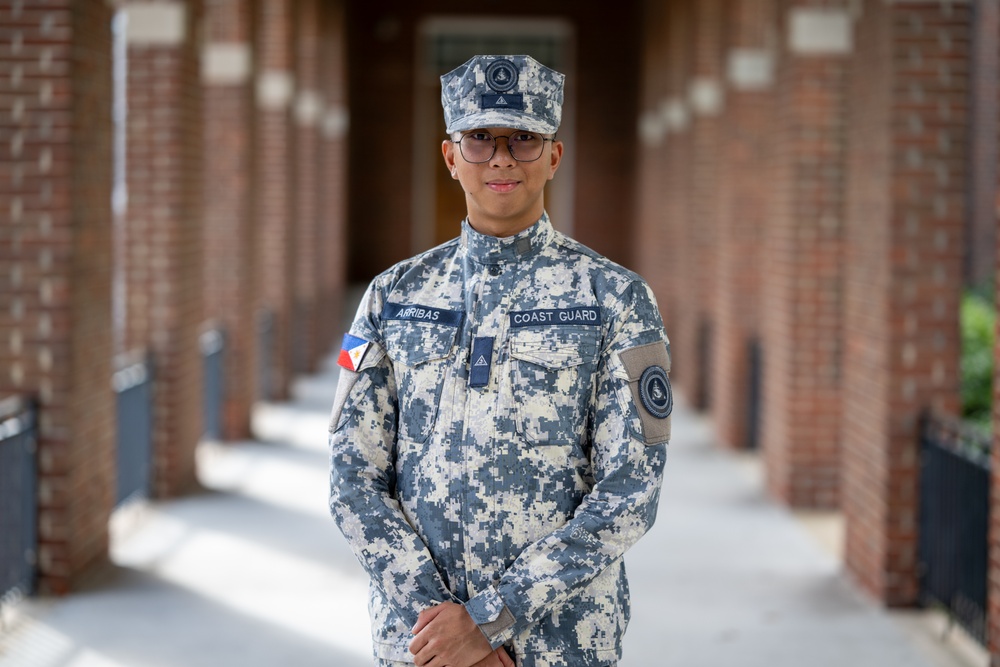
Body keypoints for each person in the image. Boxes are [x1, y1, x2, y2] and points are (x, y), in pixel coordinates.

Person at [328, 54, 671, 667]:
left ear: (554, 157)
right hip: (420, 645)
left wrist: (490, 621)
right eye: (480, 138)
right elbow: (352, 481)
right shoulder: (388, 297)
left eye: (524, 139)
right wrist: (449, 636)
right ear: (450, 156)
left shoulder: (616, 298)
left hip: (561, 643)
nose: (502, 158)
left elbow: (630, 491)